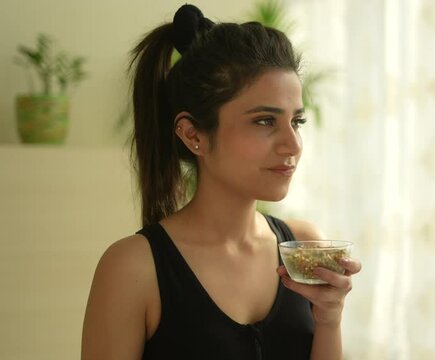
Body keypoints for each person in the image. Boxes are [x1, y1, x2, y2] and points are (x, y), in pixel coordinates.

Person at [81, 4, 361, 360]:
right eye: (264, 121)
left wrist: (329, 319)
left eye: (297, 122)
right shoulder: (133, 268)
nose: (292, 144)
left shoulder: (303, 247)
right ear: (193, 134)